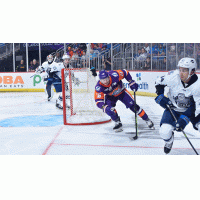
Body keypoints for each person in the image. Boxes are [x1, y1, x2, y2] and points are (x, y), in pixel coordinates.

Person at [155, 57, 200, 154]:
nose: (181, 73)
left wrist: (184, 119)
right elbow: (159, 81)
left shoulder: (198, 86)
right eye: (180, 69)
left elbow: (196, 108)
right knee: (164, 132)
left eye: (184, 70)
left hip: (191, 111)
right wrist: (160, 95)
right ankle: (169, 142)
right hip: (173, 108)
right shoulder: (173, 76)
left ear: (192, 71)